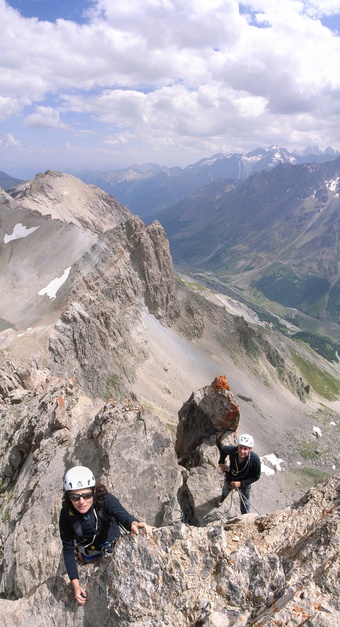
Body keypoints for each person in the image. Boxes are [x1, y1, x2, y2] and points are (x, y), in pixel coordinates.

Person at [59, 465, 155, 605]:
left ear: (93, 491)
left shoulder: (105, 499)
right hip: (88, 552)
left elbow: (121, 514)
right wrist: (76, 584)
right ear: (69, 497)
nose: (81, 502)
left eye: (86, 495)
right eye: (75, 496)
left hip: (112, 543)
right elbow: (67, 549)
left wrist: (133, 523)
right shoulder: (66, 515)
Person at [216, 434, 261, 514]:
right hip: (231, 477)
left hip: (245, 482)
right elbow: (223, 450)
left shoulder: (255, 460)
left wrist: (241, 483)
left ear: (250, 449)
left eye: (245, 449)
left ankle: (245, 516)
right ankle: (222, 498)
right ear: (238, 446)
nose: (242, 451)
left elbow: (256, 476)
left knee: (245, 501)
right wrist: (221, 462)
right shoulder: (233, 450)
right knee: (226, 490)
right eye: (240, 447)